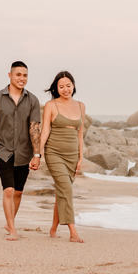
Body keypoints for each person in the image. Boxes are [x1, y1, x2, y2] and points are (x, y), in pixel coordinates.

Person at [0, 61, 42, 241]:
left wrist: (37, 155)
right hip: (4, 151)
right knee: (8, 190)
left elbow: (34, 128)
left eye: (25, 75)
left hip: (24, 152)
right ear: (10, 75)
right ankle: (13, 230)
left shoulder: (33, 100)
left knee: (18, 192)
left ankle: (10, 222)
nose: (22, 78)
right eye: (18, 75)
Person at [39, 71, 86, 243]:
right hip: (54, 153)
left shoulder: (81, 106)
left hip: (72, 155)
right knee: (66, 190)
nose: (65, 89)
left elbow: (80, 135)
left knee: (61, 193)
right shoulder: (51, 105)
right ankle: (73, 232)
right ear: (56, 88)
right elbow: (45, 132)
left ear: (73, 86)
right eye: (61, 86)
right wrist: (38, 154)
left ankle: (53, 228)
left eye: (68, 85)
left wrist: (81, 158)